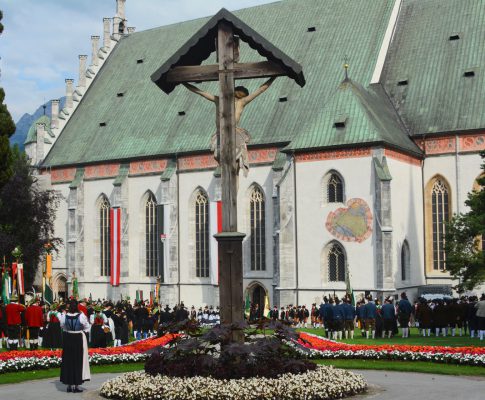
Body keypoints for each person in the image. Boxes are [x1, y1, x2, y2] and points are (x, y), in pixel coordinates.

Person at [182, 77, 276, 176]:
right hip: (223, 136)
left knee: (232, 168)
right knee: (230, 168)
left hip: (231, 136)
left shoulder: (234, 102)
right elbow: (261, 89)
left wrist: (184, 83)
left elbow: (200, 92)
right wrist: (274, 77)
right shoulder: (231, 101)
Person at [60, 299, 90, 393]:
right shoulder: (81, 315)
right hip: (78, 338)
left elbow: (63, 326)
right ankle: (76, 385)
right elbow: (87, 327)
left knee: (68, 360)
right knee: (78, 360)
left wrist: (69, 330)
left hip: (68, 337)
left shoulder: (65, 315)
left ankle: (69, 385)